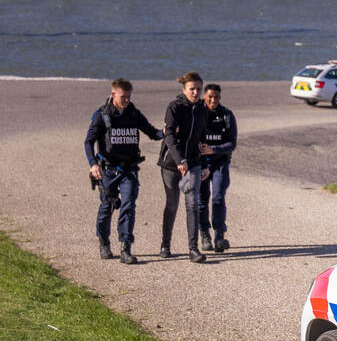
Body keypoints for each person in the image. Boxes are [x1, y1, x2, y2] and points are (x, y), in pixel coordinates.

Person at [84, 78, 163, 264]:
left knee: (128, 205)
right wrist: (93, 164)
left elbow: (152, 133)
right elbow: (88, 142)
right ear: (113, 95)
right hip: (108, 170)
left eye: (128, 97)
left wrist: (166, 131)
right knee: (107, 206)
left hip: (129, 170)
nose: (126, 100)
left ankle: (125, 247)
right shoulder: (101, 115)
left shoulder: (134, 114)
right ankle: (104, 242)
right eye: (123, 97)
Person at [159, 71, 208, 263]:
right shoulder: (174, 107)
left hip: (194, 163)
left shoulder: (202, 109)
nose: (195, 92)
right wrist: (179, 160)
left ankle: (193, 249)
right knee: (172, 204)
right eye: (192, 89)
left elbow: (202, 137)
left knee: (193, 204)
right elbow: (169, 136)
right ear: (184, 90)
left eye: (198, 89)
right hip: (171, 163)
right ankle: (165, 243)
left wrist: (204, 164)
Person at [197, 83, 237, 253]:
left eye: (216, 97)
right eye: (210, 97)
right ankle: (204, 234)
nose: (213, 100)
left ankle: (219, 235)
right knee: (202, 200)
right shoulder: (197, 113)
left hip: (220, 163)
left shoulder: (227, 115)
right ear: (204, 96)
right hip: (201, 164)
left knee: (218, 198)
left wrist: (215, 149)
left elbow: (232, 143)